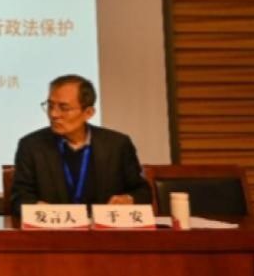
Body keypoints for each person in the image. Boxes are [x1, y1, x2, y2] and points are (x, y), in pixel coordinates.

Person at [9, 74, 150, 214]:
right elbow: (19, 198)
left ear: (88, 112)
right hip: (55, 226)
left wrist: (128, 199)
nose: (54, 114)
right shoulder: (31, 146)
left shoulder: (117, 145)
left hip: (102, 227)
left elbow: (142, 192)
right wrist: (36, 206)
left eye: (64, 108)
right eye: (50, 106)